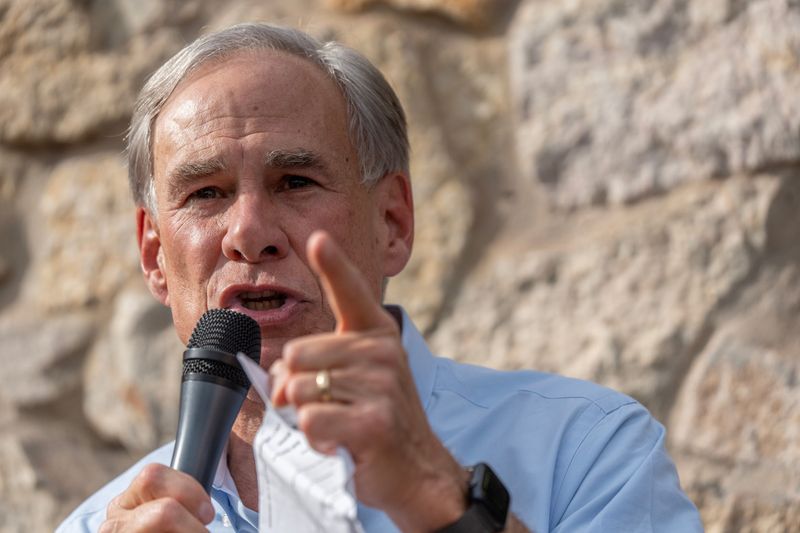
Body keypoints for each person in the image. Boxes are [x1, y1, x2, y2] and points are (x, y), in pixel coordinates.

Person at [58, 22, 703, 533]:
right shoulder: (100, 527)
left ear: (392, 222)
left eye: (296, 181)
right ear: (153, 256)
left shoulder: (584, 451)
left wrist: (443, 503)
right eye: (205, 193)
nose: (250, 232)